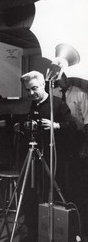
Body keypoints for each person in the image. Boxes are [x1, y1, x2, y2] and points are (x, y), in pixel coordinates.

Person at [19, 71, 77, 241]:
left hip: (52, 159)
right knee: (30, 195)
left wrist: (56, 125)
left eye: (34, 89)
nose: (31, 93)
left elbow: (72, 127)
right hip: (32, 158)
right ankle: (32, 232)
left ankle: (53, 233)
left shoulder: (57, 105)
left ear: (43, 85)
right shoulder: (28, 105)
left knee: (52, 195)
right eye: (28, 90)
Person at [53, 73, 88, 239]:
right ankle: (61, 207)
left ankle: (77, 214)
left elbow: (87, 122)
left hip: (77, 138)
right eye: (60, 78)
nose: (63, 80)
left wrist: (84, 144)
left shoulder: (80, 94)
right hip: (59, 138)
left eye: (65, 77)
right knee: (59, 174)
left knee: (76, 177)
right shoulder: (54, 93)